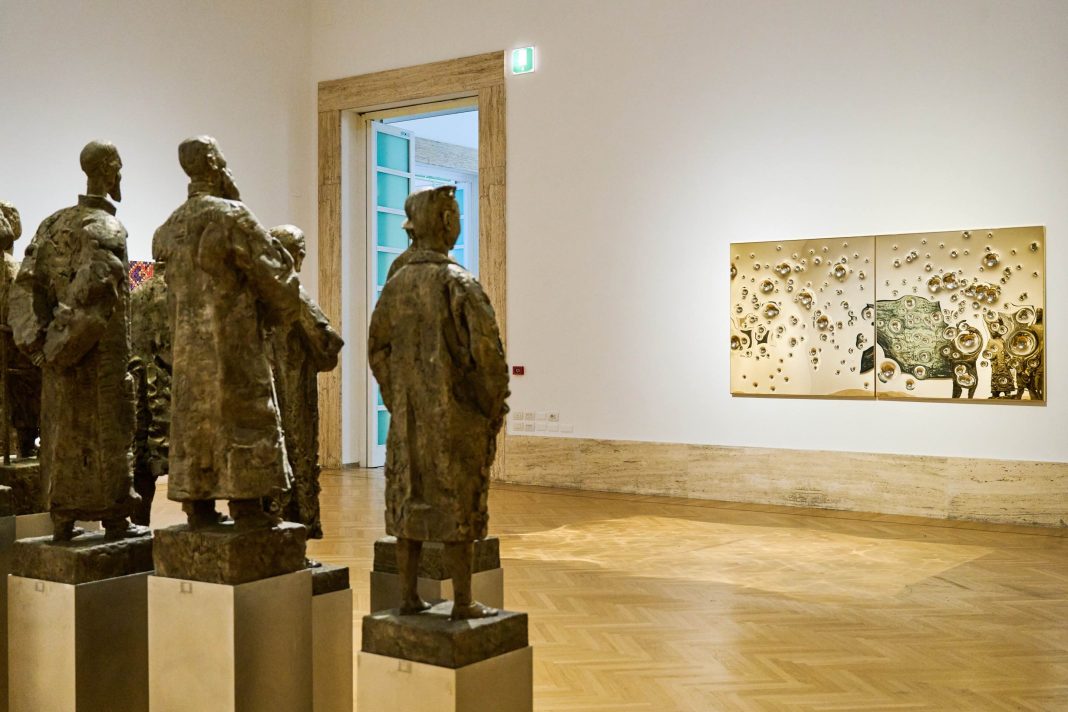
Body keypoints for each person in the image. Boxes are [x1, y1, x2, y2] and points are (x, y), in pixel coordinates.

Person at [368, 185, 509, 620]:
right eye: (456, 215)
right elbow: (488, 356)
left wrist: (398, 398)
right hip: (454, 419)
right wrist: (489, 407)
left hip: (409, 419)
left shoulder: (396, 284)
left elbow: (378, 348)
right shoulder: (458, 283)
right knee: (457, 502)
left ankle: (408, 595)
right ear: (446, 223)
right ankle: (463, 600)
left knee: (408, 498)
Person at [153, 136, 304, 530]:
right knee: (243, 416)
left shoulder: (169, 227)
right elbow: (277, 279)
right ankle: (246, 502)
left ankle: (197, 503)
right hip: (234, 350)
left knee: (195, 419)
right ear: (213, 162)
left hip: (189, 355)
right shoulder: (233, 217)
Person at [9, 141, 142, 540]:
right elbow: (95, 297)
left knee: (62, 435)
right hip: (96, 361)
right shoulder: (107, 228)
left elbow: (25, 290)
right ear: (108, 170)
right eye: (118, 167)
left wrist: (39, 346)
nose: (120, 175)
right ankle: (115, 518)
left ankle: (64, 520)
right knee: (107, 433)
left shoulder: (51, 224)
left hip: (57, 360)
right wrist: (58, 348)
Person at [266, 224, 343, 538]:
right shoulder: (293, 294)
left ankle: (271, 525)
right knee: (300, 455)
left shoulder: (254, 295)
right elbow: (327, 341)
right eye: (300, 252)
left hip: (261, 395)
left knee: (271, 456)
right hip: (294, 390)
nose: (302, 259)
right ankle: (301, 528)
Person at [128, 255, 171, 525]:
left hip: (139, 384)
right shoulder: (174, 292)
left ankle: (140, 523)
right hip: (164, 386)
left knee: (142, 462)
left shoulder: (137, 291)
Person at [0, 201, 41, 459]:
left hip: (8, 345)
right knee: (34, 373)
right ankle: (26, 441)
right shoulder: (11, 267)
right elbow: (20, 312)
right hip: (11, 348)